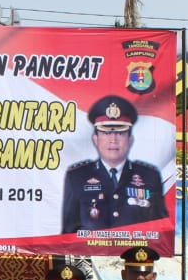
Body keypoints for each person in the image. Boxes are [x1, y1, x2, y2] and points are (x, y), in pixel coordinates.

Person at [61, 95, 167, 233]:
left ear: (130, 139)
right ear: (96, 139)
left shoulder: (150, 176)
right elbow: (68, 233)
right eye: (106, 133)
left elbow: (160, 229)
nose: (113, 140)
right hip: (90, 247)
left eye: (120, 133)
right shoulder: (77, 176)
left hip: (134, 247)